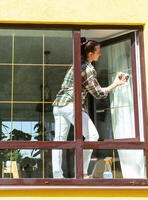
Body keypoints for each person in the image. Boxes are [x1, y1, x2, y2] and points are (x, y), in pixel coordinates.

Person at [52, 38, 128, 178]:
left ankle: (57, 176)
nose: (100, 54)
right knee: (92, 135)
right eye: (98, 52)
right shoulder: (88, 69)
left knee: (59, 140)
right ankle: (81, 172)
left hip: (59, 105)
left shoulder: (76, 64)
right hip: (71, 106)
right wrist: (116, 83)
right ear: (90, 53)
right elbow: (98, 93)